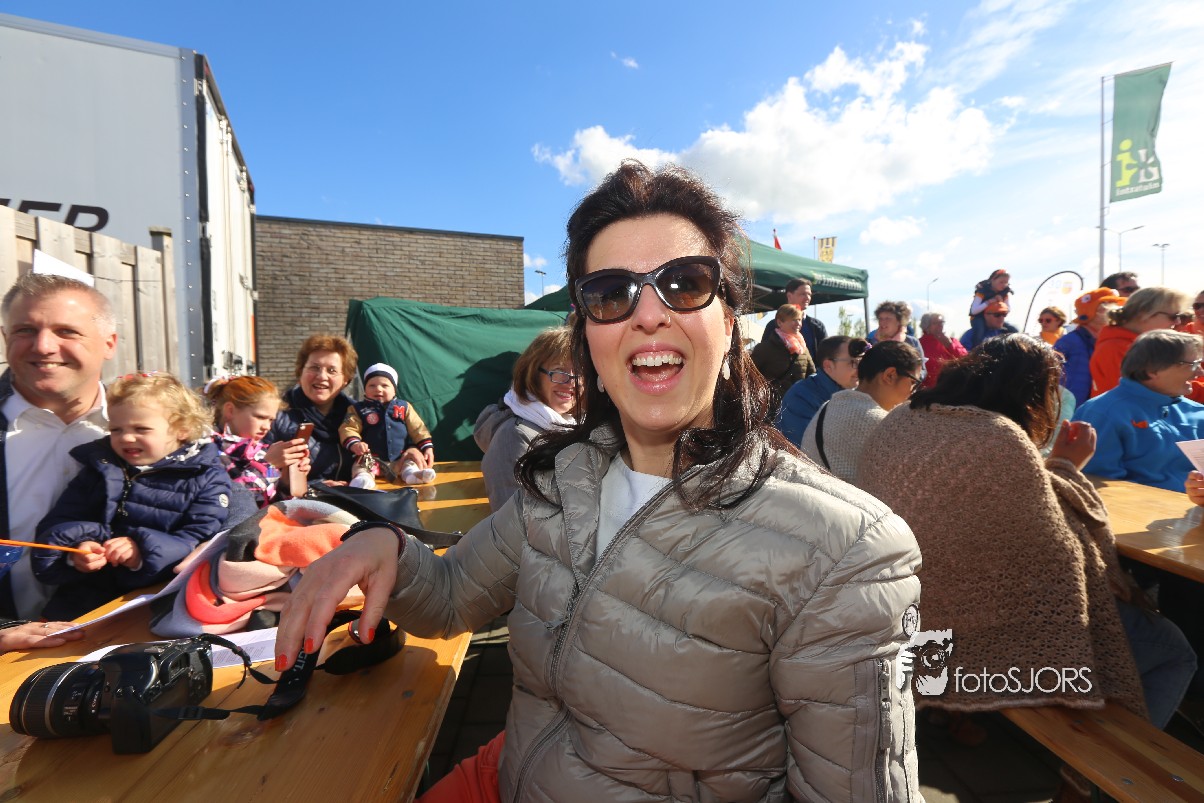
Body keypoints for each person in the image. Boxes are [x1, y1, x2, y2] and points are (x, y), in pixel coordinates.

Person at [276, 161, 923, 802]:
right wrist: (385, 547)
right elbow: (448, 597)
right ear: (589, 337)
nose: (648, 314)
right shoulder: (564, 478)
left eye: (686, 283)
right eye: (612, 293)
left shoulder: (845, 550)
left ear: (729, 324)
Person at [859, 334, 1195, 731]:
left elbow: (1004, 511)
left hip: (903, 605)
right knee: (1173, 649)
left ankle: (964, 717)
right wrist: (1066, 465)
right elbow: (1057, 551)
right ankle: (1119, 764)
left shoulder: (902, 419)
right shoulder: (998, 436)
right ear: (1032, 392)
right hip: (977, 620)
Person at [33, 373, 232, 620]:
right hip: (80, 600)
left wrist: (142, 552)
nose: (126, 437)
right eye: (116, 429)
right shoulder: (99, 467)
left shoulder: (205, 477)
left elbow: (200, 543)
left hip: (155, 606)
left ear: (182, 429)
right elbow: (61, 519)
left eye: (141, 429)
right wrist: (76, 550)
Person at [0, 273, 117, 620]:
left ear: (109, 344)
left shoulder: (162, 426)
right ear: (5, 338)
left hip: (133, 643)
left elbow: (226, 511)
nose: (43, 346)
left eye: (66, 331)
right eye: (25, 330)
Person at [1075, 330, 1204, 491]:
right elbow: (1097, 485)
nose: (1200, 372)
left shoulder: (1197, 412)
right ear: (1152, 370)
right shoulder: (1103, 413)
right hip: (1135, 506)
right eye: (1193, 365)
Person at [474, 327, 577, 511]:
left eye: (580, 372)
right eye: (558, 370)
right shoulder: (515, 437)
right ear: (534, 374)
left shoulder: (572, 425)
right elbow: (519, 520)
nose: (571, 382)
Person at [802, 341, 921, 483]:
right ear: (890, 375)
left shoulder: (831, 405)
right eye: (913, 382)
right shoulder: (880, 425)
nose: (913, 392)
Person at [266, 334, 364, 483]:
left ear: (346, 379)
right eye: (314, 368)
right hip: (297, 498)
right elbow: (252, 476)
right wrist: (269, 464)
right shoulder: (274, 416)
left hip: (353, 495)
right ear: (300, 372)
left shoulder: (358, 415)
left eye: (332, 370)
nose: (322, 376)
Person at [341, 363, 436, 488]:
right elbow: (348, 428)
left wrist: (427, 447)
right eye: (372, 385)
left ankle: (412, 475)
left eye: (384, 385)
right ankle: (363, 480)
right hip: (371, 460)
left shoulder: (404, 407)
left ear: (394, 389)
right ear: (365, 389)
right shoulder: (357, 409)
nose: (378, 389)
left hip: (400, 458)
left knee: (410, 462)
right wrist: (355, 444)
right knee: (360, 466)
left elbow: (418, 428)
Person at [204, 375, 290, 510]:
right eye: (260, 417)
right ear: (230, 411)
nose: (267, 427)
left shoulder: (259, 450)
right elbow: (231, 501)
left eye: (271, 420)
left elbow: (269, 500)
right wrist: (268, 465)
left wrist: (286, 482)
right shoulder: (208, 449)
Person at [1089, 287, 1190, 397]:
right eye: (1174, 316)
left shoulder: (1141, 345)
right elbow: (1148, 394)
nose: (1178, 322)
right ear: (1144, 313)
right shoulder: (1116, 348)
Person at [776, 335, 867, 444]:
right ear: (828, 366)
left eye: (862, 362)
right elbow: (806, 447)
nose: (860, 369)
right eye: (853, 363)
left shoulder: (858, 394)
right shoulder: (801, 397)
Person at [1055, 288, 1125, 406]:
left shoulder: (1106, 342)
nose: (1116, 312)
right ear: (1093, 312)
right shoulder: (1069, 342)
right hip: (1071, 411)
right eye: (1109, 306)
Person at [750, 303, 815, 400]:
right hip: (772, 403)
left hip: (797, 402)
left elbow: (811, 375)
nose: (798, 323)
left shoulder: (803, 349)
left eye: (799, 320)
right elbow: (750, 375)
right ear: (780, 322)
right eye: (794, 320)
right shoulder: (765, 348)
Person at [759, 277, 827, 363]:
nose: (807, 298)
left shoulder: (817, 326)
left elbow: (826, 356)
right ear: (789, 296)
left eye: (809, 294)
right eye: (803, 294)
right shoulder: (774, 325)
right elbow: (764, 355)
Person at [917, 312, 966, 389]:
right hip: (926, 390)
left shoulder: (952, 341)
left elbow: (965, 360)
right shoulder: (918, 344)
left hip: (950, 389)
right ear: (926, 326)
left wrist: (950, 346)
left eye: (942, 322)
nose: (940, 325)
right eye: (935, 323)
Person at [967, 269, 1013, 343]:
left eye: (1006, 282)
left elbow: (1008, 309)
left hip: (996, 318)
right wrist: (988, 302)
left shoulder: (1005, 293)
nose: (1004, 285)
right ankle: (975, 348)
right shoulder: (982, 291)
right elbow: (974, 311)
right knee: (979, 333)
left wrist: (1001, 302)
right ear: (992, 280)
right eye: (1001, 282)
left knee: (1014, 330)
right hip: (979, 318)